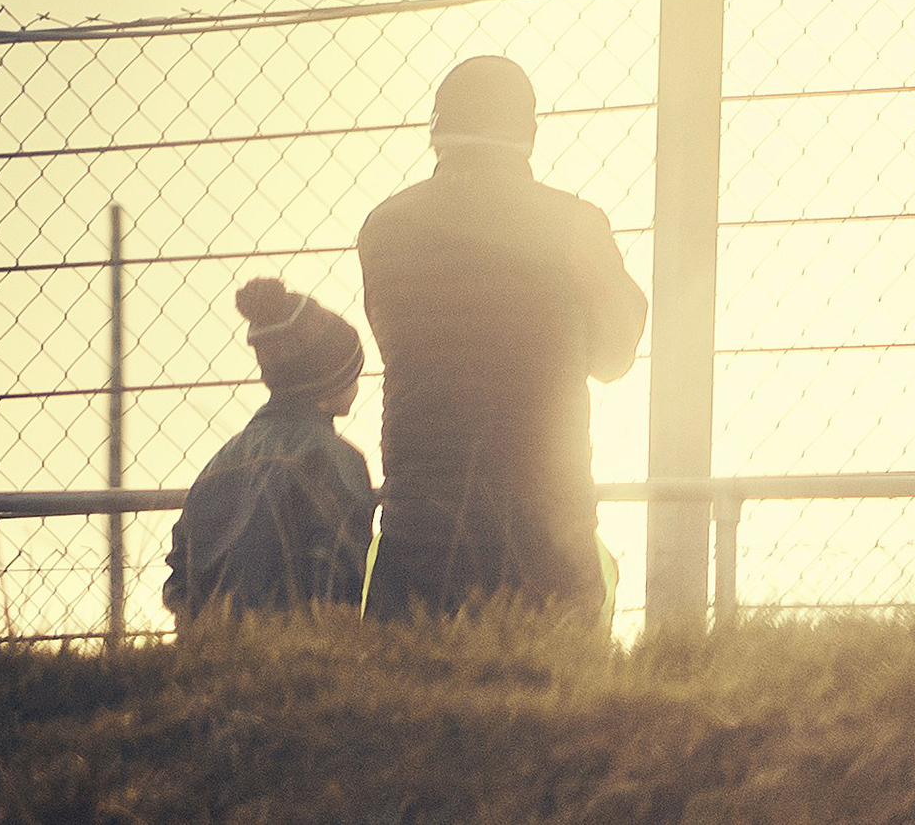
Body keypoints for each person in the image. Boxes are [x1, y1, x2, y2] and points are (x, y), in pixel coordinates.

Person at [357, 55, 647, 622]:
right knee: (553, 696)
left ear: (435, 131)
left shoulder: (385, 227)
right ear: (530, 134)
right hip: (546, 520)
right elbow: (614, 355)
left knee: (413, 697)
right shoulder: (572, 223)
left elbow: (402, 343)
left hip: (420, 523)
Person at [162, 277, 375, 626]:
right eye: (353, 370)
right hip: (299, 656)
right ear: (329, 376)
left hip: (212, 655)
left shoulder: (219, 462)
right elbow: (338, 577)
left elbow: (181, 574)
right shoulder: (335, 459)